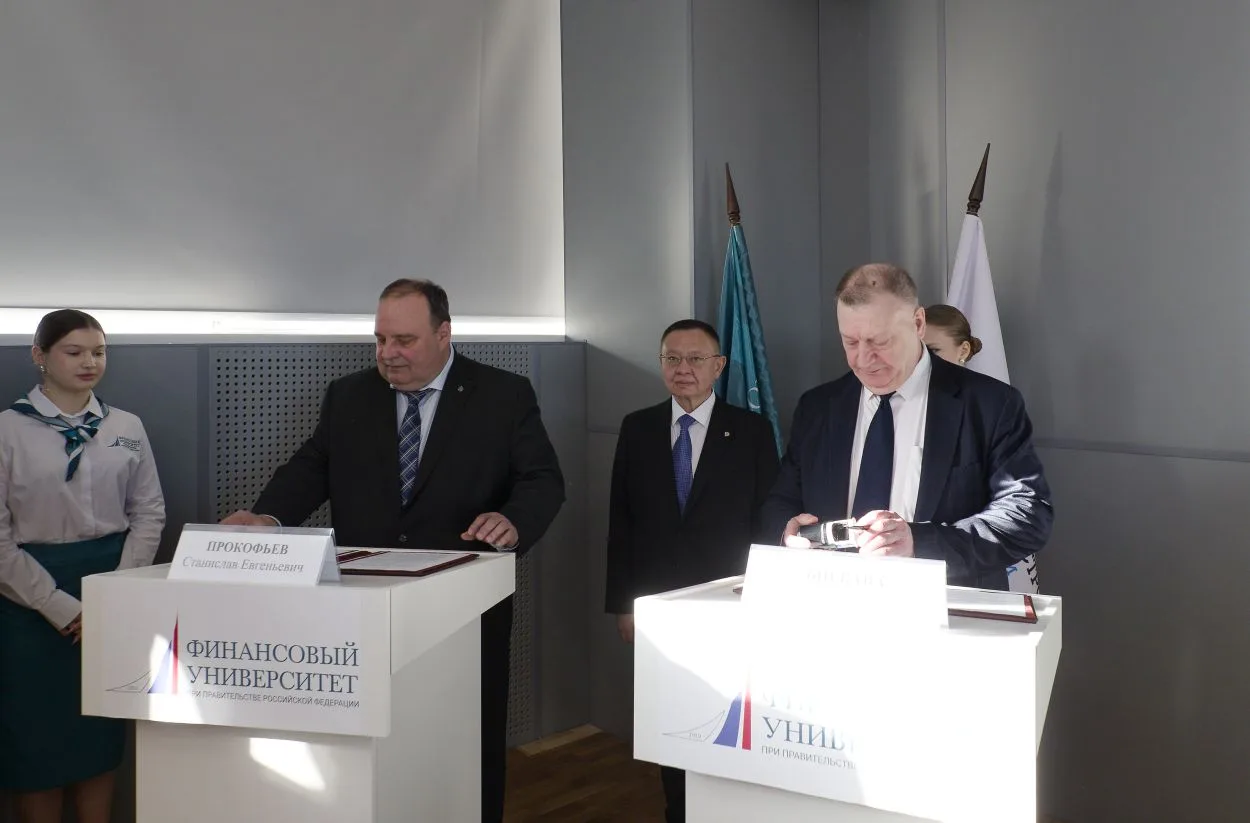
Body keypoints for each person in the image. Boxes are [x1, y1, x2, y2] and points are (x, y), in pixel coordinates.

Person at [221, 278, 565, 823]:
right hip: (365, 607)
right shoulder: (349, 396)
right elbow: (312, 467)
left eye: (404, 340)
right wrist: (269, 517)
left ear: (444, 334)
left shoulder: (503, 394)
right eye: (380, 339)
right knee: (376, 746)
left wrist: (513, 520)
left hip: (464, 608)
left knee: (468, 742)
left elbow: (542, 480)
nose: (388, 353)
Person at [761, 264, 1051, 590]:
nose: (863, 359)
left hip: (947, 607)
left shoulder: (990, 404)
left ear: (918, 323)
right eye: (850, 342)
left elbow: (1028, 515)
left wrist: (918, 543)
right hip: (830, 601)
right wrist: (787, 532)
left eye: (880, 341)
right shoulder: (818, 408)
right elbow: (780, 502)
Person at [606, 319, 779, 823]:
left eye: (696, 359)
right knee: (673, 721)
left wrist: (763, 596)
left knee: (728, 718)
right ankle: (678, 811)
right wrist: (624, 603)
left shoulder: (751, 431)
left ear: (718, 366)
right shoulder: (637, 427)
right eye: (672, 358)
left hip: (729, 601)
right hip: (658, 605)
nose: (683, 368)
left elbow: (767, 520)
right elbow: (622, 521)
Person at [0, 310, 166, 823]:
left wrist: (115, 595)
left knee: (99, 735)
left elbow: (149, 512)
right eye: (74, 352)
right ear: (40, 355)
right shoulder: (7, 430)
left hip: (111, 585)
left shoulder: (125, 426)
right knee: (37, 746)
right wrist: (61, 607)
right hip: (29, 599)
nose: (89, 362)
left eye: (98, 351)